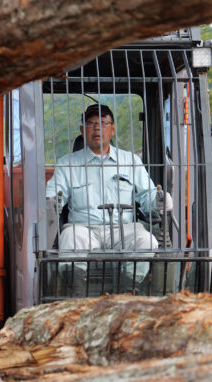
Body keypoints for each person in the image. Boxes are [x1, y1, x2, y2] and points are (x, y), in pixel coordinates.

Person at [45, 104, 172, 295]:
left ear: (112, 129)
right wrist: (52, 202)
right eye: (91, 123)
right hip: (84, 229)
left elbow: (147, 195)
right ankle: (78, 296)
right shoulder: (67, 163)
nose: (97, 128)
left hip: (123, 229)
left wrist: (159, 201)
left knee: (146, 240)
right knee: (70, 238)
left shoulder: (130, 161)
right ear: (82, 130)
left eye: (103, 123)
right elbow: (54, 195)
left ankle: (127, 293)